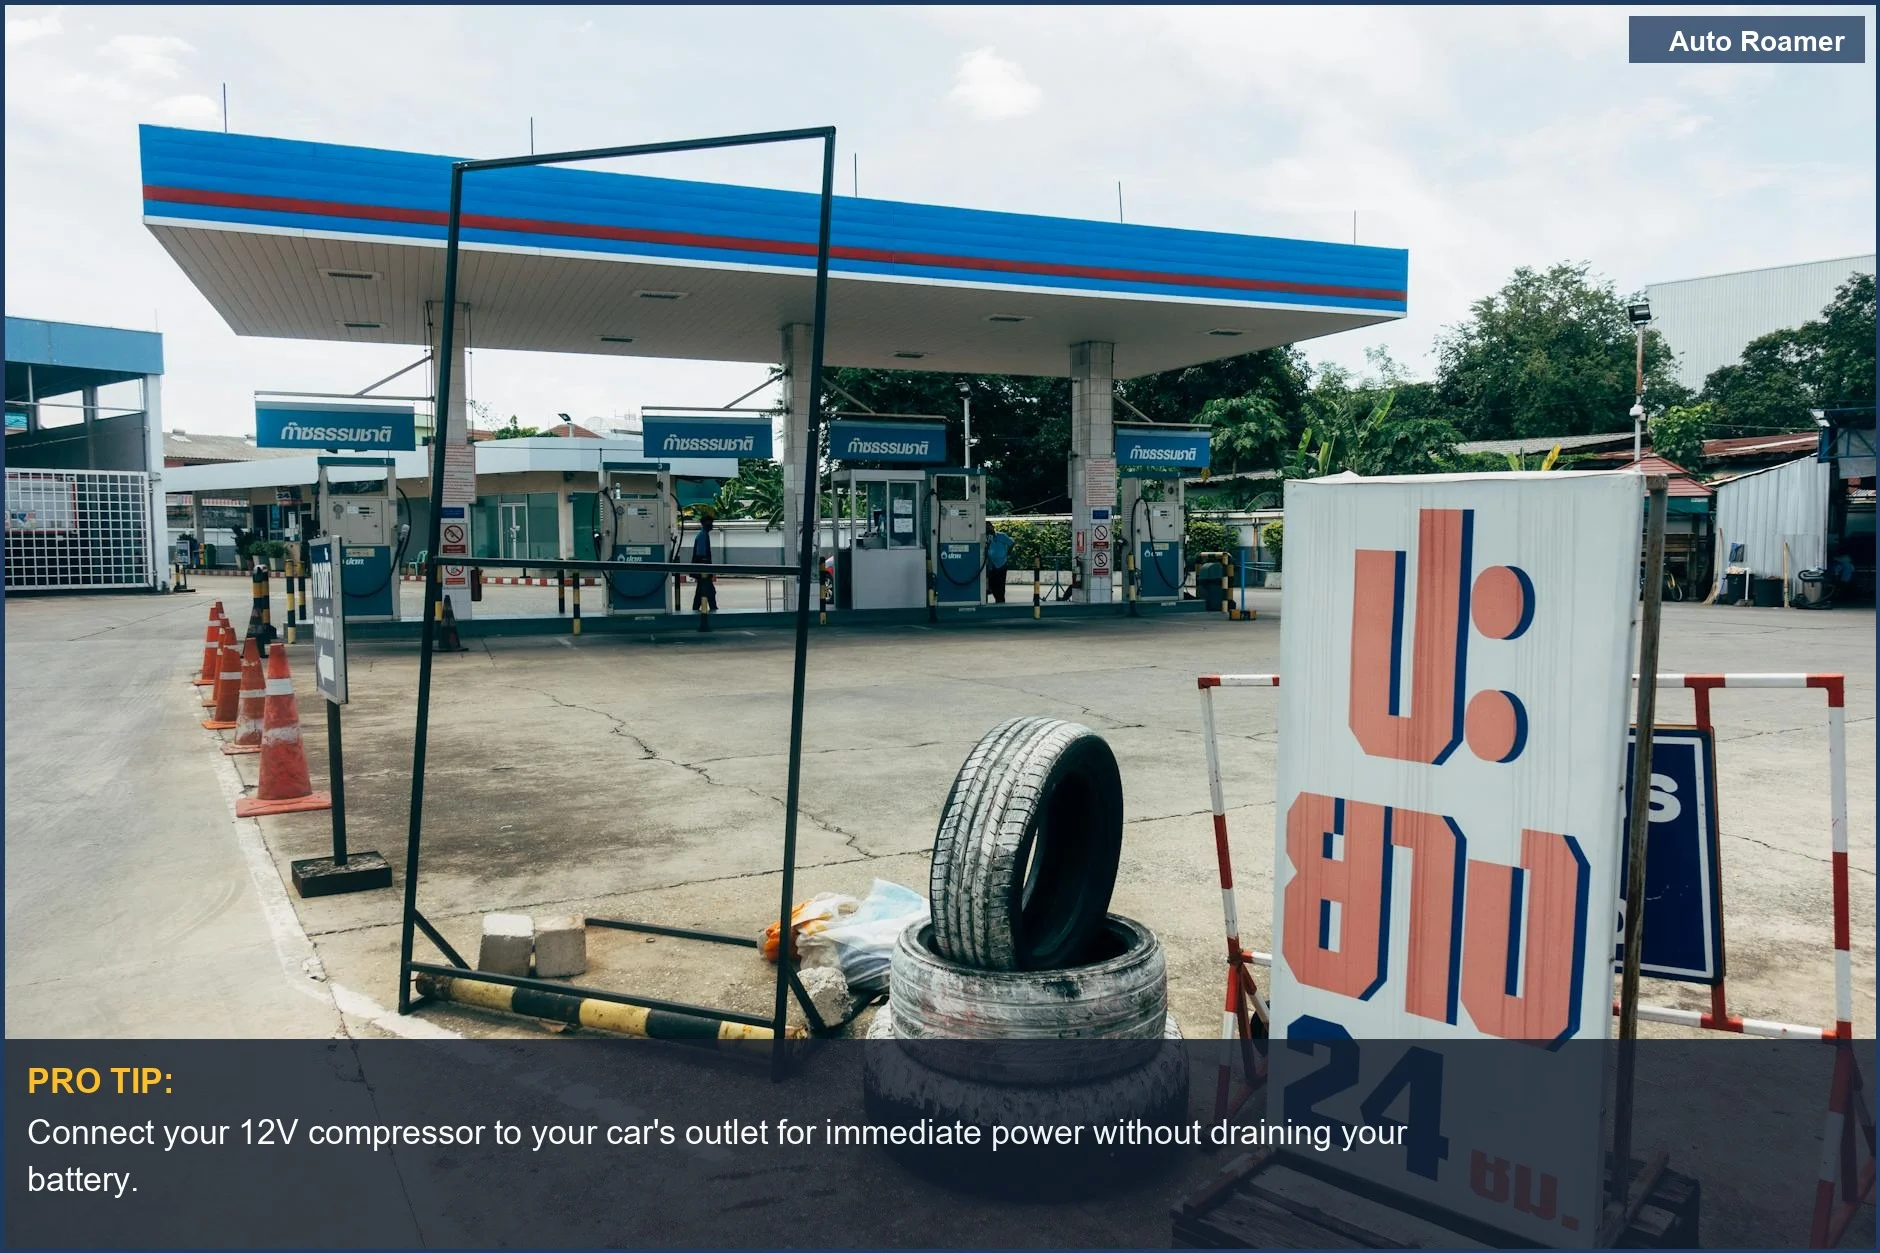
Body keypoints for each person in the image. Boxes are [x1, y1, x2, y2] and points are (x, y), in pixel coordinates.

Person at [691, 510, 718, 631]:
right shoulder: (702, 536)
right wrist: (707, 571)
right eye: (710, 522)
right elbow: (702, 555)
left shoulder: (703, 534)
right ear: (705, 523)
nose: (711, 525)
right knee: (709, 591)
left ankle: (695, 611)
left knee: (701, 592)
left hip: (703, 571)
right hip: (703, 571)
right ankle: (712, 613)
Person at [985, 520, 1014, 604]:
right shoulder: (986, 538)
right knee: (993, 583)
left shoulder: (1002, 536)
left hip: (1002, 564)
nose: (988, 529)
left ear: (993, 527)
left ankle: (1001, 600)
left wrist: (1007, 553)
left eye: (989, 526)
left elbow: (1012, 543)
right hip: (991, 565)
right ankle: (997, 598)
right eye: (986, 528)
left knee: (1000, 584)